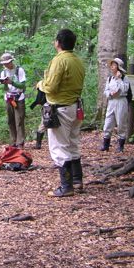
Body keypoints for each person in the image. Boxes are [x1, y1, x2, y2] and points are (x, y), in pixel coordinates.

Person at [38, 29, 85, 197]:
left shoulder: (59, 60)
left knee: (59, 147)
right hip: (75, 106)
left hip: (61, 109)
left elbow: (51, 86)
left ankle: (66, 187)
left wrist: (40, 85)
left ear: (58, 42)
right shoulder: (77, 61)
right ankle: (77, 181)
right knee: (73, 143)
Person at [100, 58, 130, 153]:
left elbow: (125, 89)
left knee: (121, 123)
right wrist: (110, 94)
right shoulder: (110, 78)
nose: (112, 67)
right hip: (112, 101)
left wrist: (119, 79)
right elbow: (106, 90)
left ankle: (121, 146)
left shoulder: (125, 78)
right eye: (111, 65)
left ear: (118, 67)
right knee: (108, 122)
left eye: (114, 65)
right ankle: (106, 145)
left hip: (121, 101)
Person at [0, 53, 26, 148]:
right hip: (9, 98)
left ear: (11, 61)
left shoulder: (19, 70)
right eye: (4, 63)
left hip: (19, 98)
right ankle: (13, 141)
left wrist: (12, 82)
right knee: (10, 121)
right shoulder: (3, 72)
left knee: (19, 120)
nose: (6, 65)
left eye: (7, 63)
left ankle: (20, 143)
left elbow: (23, 85)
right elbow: (6, 89)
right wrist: (5, 83)